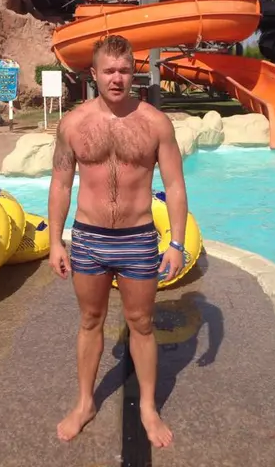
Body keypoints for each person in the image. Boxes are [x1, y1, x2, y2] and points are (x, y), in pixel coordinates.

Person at [48, 34, 188, 449]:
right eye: (108, 70)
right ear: (93, 73)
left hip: (138, 239)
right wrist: (56, 242)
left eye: (124, 70)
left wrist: (176, 243)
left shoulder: (155, 123)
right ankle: (84, 403)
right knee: (90, 320)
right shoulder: (73, 124)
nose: (116, 78)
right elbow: (60, 185)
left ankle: (148, 407)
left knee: (141, 323)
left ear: (134, 73)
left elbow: (175, 186)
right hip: (89, 238)